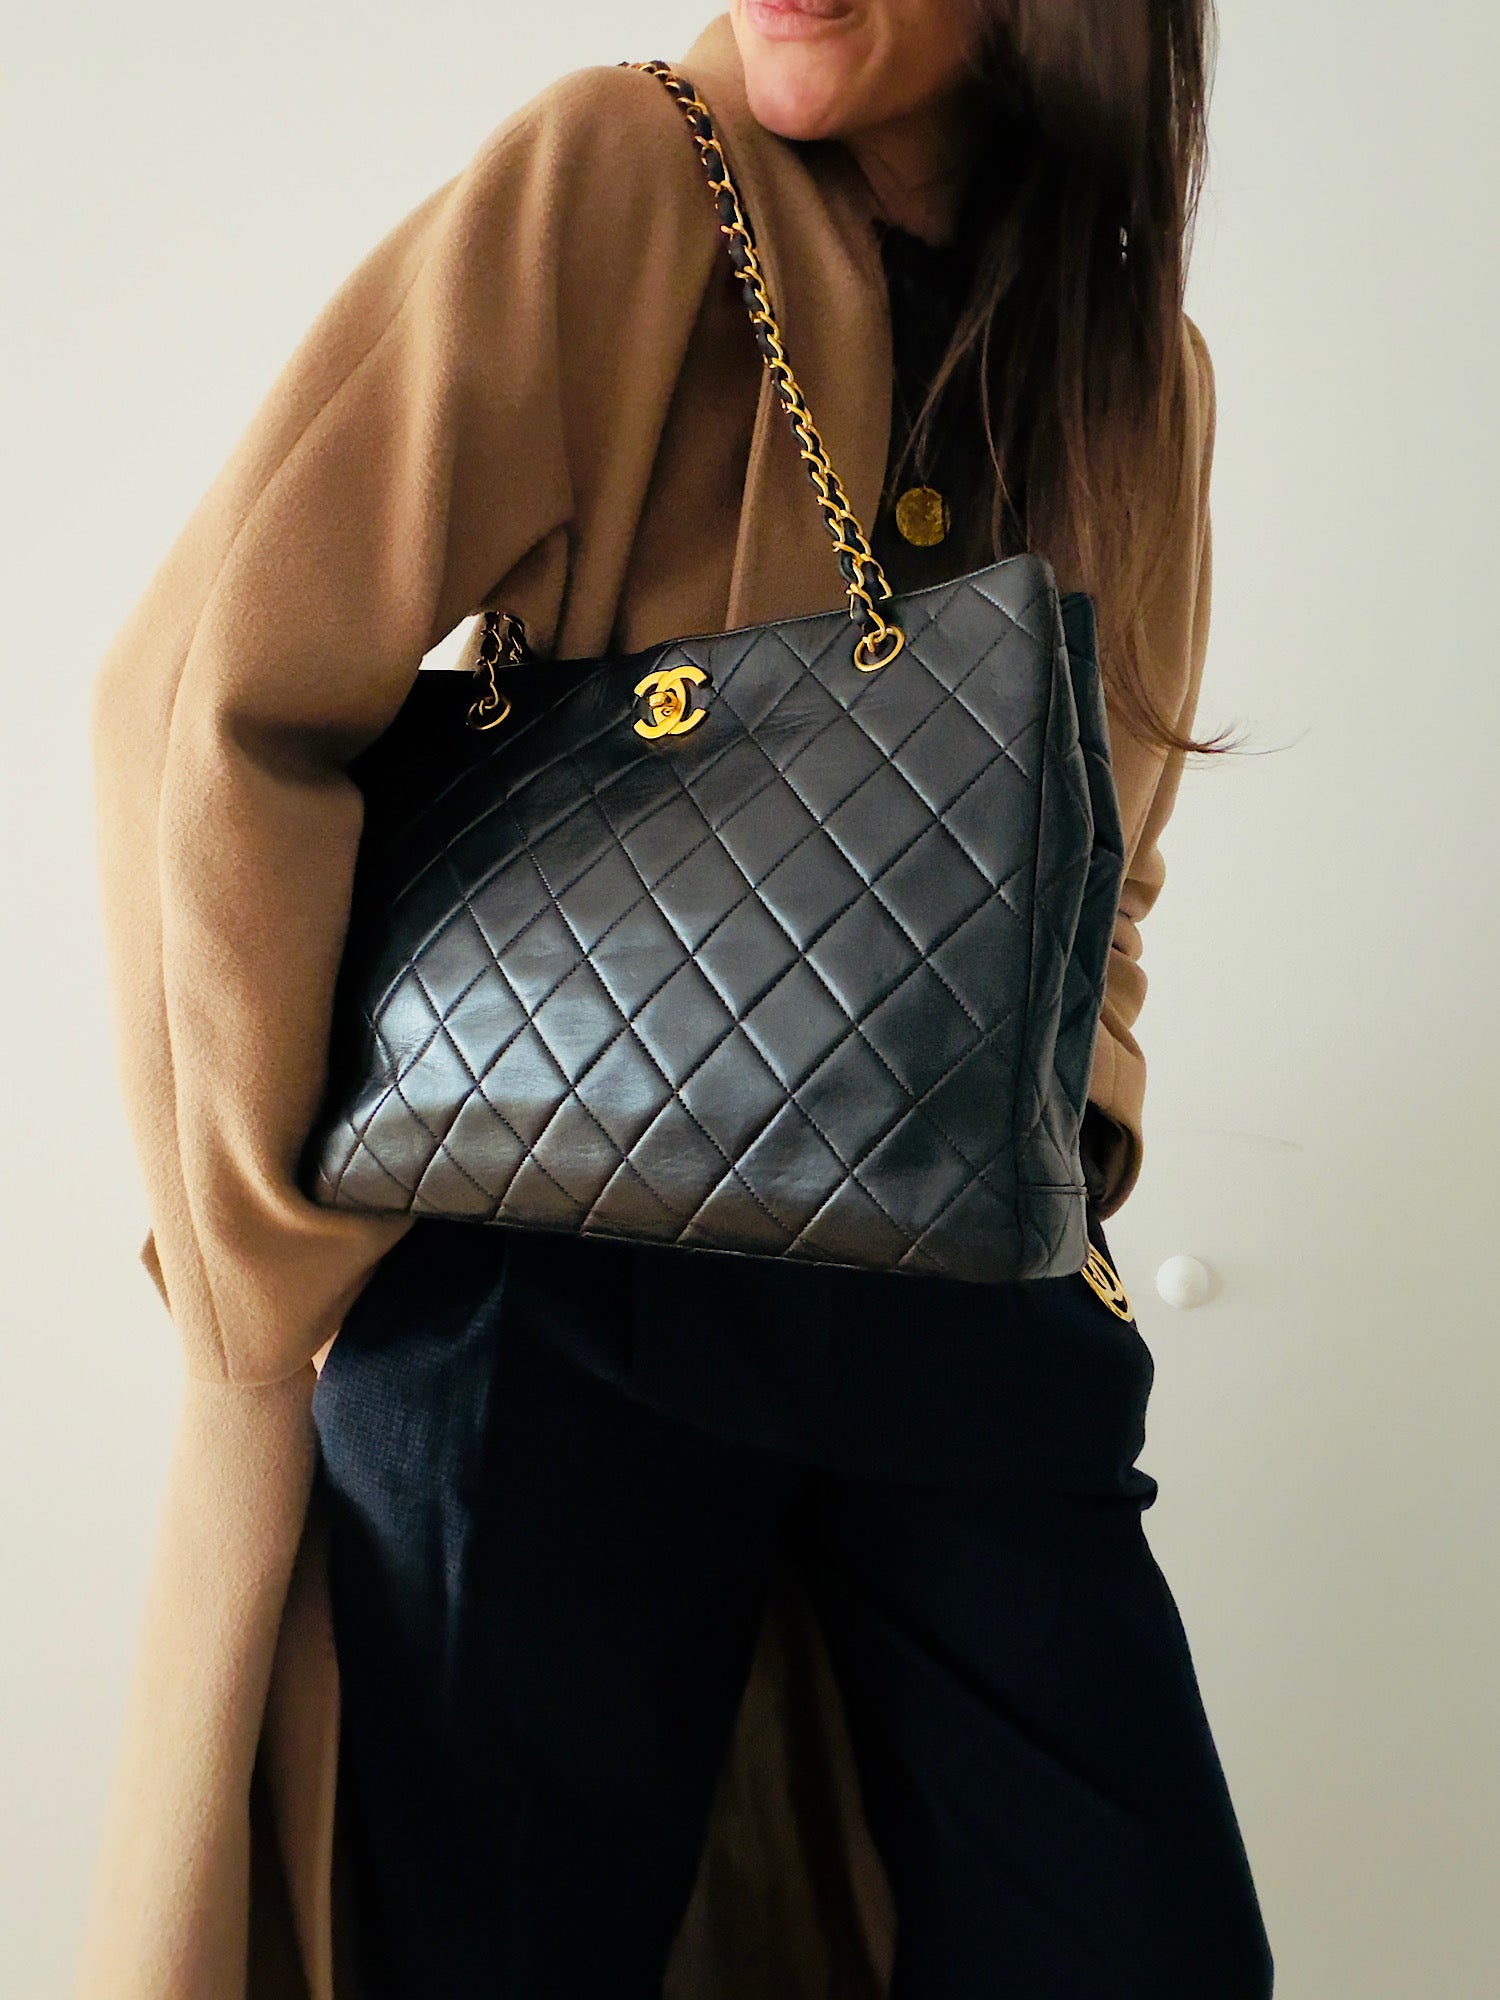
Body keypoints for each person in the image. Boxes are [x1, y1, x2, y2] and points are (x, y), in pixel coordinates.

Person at [81, 4, 1273, 1998]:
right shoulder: (624, 178)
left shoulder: (1138, 361)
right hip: (561, 1312)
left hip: (966, 1325)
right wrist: (262, 1270)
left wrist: (1070, 1157)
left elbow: (1110, 865)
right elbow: (197, 702)